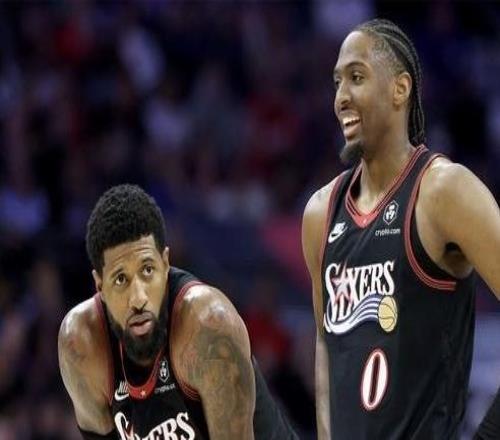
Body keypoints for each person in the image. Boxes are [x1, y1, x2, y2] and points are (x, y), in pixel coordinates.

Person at [301, 18, 500, 439]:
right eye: (337, 82)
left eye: (356, 77)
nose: (341, 97)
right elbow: (324, 344)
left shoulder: (443, 190)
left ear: (400, 89)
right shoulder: (321, 213)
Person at [58, 184, 297, 440]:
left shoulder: (208, 325)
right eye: (120, 279)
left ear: (165, 263)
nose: (138, 299)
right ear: (100, 286)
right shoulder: (80, 344)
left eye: (147, 270)